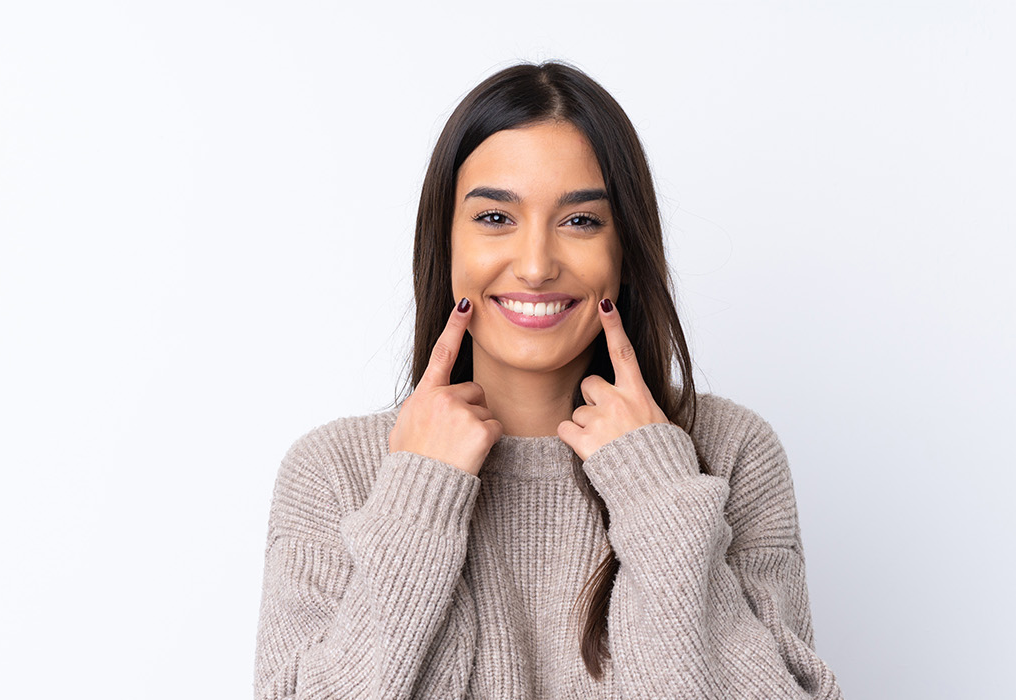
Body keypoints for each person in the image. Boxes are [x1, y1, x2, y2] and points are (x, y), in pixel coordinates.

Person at [253, 60, 843, 699]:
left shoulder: (728, 453)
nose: (535, 266)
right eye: (495, 219)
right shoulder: (338, 470)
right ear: (444, 242)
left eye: (581, 221)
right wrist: (418, 499)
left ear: (625, 249)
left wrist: (656, 490)